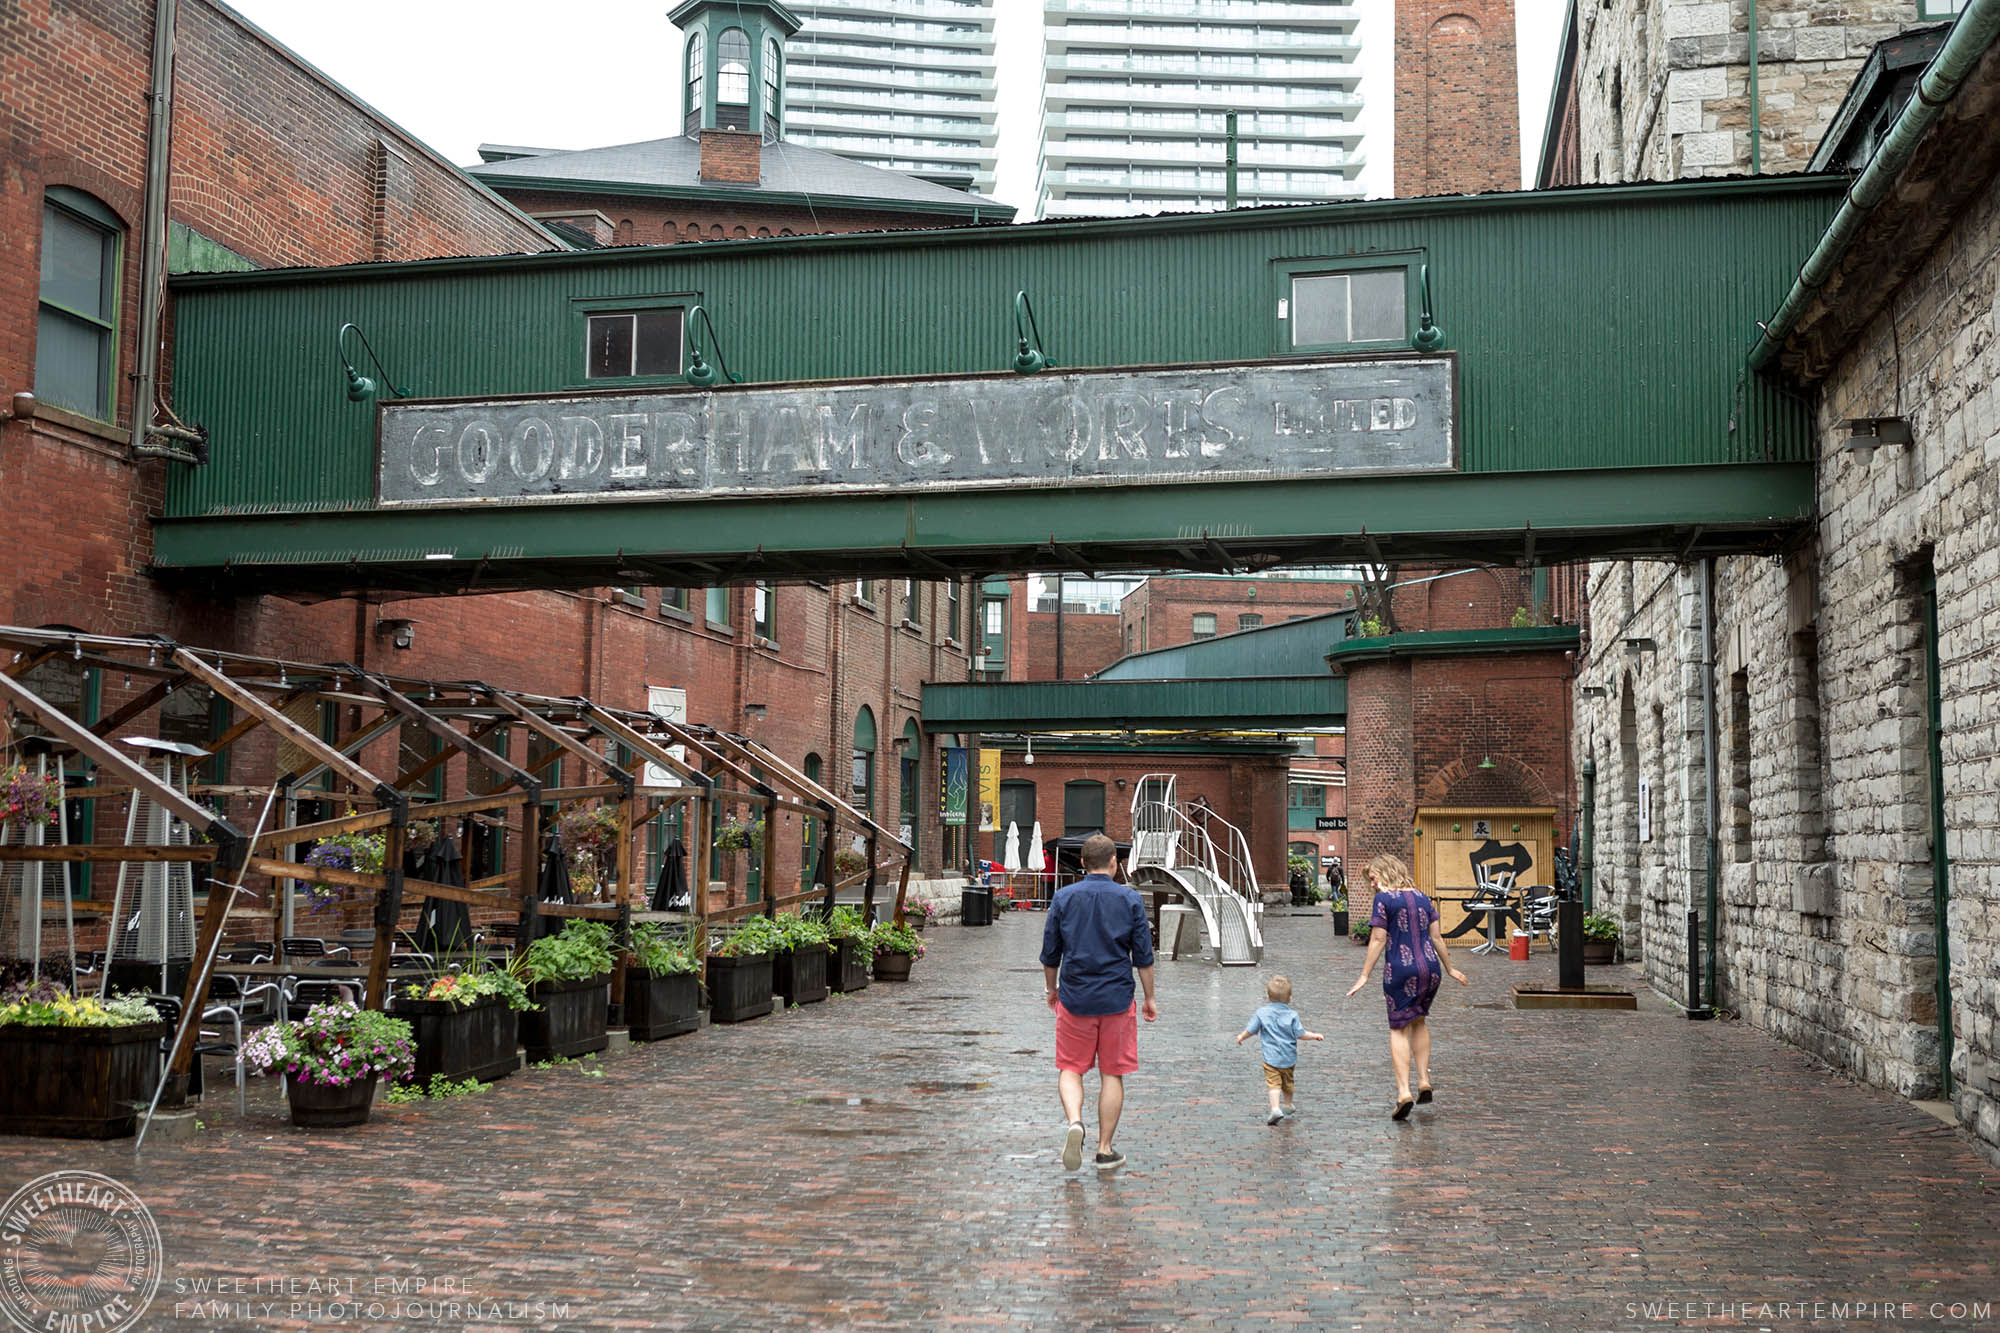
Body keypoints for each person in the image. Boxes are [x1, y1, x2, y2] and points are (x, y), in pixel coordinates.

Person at [1041, 832, 1158, 1172]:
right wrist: (1149, 997)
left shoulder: (1063, 898)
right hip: (1117, 998)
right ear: (1113, 862)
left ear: (1081, 863)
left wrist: (1052, 989)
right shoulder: (1130, 900)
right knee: (1112, 1074)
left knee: (1070, 1068)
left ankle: (1075, 1122)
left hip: (1075, 996)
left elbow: (1051, 954)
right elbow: (1143, 957)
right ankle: (1105, 1149)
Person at [1346, 851, 1469, 1119]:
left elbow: (1378, 938)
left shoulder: (1384, 899)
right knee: (1419, 1022)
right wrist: (1450, 968)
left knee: (1398, 1029)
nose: (1373, 884)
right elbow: (1437, 939)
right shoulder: (1423, 897)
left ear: (1385, 873)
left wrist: (1364, 975)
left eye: (1374, 878)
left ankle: (1404, 1091)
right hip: (1430, 970)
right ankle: (1424, 1080)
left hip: (1400, 970)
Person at [1234, 974, 1323, 1125]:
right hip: (1288, 1058)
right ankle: (1287, 1105)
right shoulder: (1292, 1015)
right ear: (1290, 998)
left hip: (1271, 1058)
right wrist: (1314, 1035)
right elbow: (1300, 1034)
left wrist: (1242, 1036)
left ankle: (1275, 1108)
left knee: (1273, 1083)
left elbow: (1251, 1030)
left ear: (1268, 996)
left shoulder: (1261, 1013)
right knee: (1288, 1082)